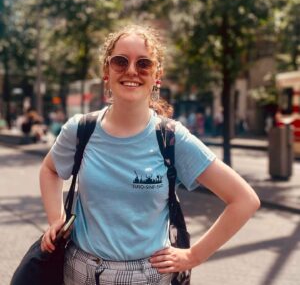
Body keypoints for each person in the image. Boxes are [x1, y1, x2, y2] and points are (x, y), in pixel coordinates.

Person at [39, 25, 260, 285]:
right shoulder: (80, 129)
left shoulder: (172, 138)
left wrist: (194, 256)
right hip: (79, 272)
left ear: (157, 76)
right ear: (106, 71)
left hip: (147, 277)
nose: (131, 70)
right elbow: (50, 169)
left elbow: (244, 200)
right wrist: (56, 220)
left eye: (143, 64)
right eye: (120, 61)